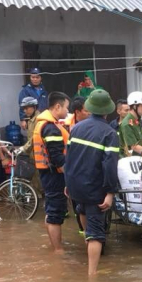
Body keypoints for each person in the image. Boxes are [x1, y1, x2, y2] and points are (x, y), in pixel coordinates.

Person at [65, 89, 120, 275]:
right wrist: (111, 192)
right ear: (107, 111)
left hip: (75, 185)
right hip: (94, 187)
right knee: (97, 233)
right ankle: (92, 275)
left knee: (81, 210)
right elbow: (110, 166)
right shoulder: (110, 133)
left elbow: (69, 159)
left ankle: (88, 242)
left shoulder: (76, 128)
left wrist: (68, 183)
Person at [33, 92, 70, 253]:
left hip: (48, 173)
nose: (67, 112)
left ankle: (55, 246)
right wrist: (69, 176)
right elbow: (57, 159)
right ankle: (58, 250)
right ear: (57, 107)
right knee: (55, 211)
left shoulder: (45, 123)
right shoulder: (50, 128)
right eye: (66, 108)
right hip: (54, 175)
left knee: (51, 210)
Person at [64, 96, 94, 234]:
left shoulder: (93, 124)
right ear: (77, 112)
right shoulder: (65, 124)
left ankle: (89, 232)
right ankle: (83, 231)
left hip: (87, 169)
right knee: (77, 205)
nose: (89, 113)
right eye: (86, 110)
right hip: (71, 168)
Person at [18, 96, 43, 195]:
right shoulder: (30, 119)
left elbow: (34, 138)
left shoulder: (39, 119)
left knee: (39, 180)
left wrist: (23, 148)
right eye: (24, 108)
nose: (25, 111)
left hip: (39, 154)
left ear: (34, 107)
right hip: (33, 155)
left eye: (27, 108)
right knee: (35, 179)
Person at [119, 91, 142, 156]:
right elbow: (134, 147)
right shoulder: (127, 123)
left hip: (138, 159)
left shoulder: (136, 120)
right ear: (135, 106)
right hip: (130, 161)